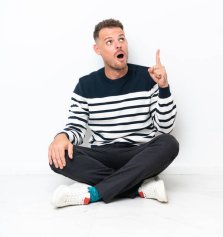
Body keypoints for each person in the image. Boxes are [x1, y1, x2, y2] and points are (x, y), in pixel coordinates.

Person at [48, 19, 179, 208]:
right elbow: (76, 127)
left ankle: (94, 193)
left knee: (169, 143)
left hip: (137, 154)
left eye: (121, 39)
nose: (118, 44)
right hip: (102, 155)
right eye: (109, 42)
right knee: (57, 156)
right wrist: (61, 137)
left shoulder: (148, 77)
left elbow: (165, 126)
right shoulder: (85, 85)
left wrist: (163, 87)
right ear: (97, 49)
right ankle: (138, 188)